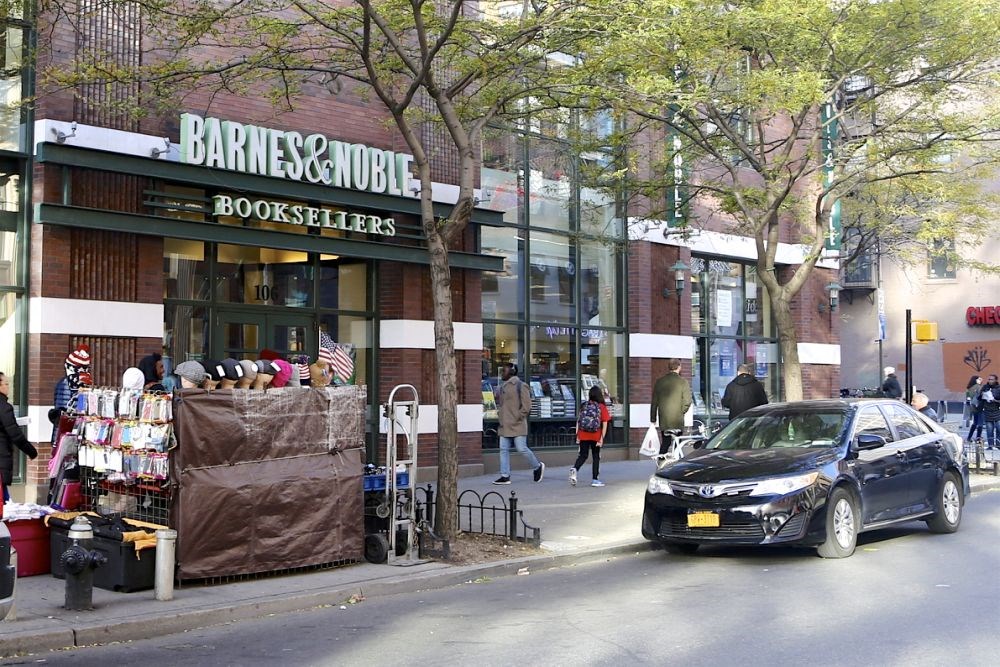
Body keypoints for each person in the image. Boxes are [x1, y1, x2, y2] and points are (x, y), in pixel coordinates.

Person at [493, 363, 544, 485]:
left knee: (522, 448)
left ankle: (537, 466)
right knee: (503, 449)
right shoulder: (502, 386)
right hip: (504, 424)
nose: (502, 373)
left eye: (504, 370)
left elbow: (527, 406)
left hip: (517, 424)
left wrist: (517, 417)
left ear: (511, 372)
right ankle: (505, 476)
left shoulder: (521, 385)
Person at [0, 372, 38, 501]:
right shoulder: (4, 407)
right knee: (3, 499)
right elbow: (15, 434)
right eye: (6, 384)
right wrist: (31, 451)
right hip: (1, 457)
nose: (8, 387)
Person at [570, 386, 612, 488]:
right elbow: (605, 423)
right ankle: (595, 479)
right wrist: (602, 438)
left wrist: (577, 435)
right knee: (596, 457)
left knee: (583, 455)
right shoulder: (601, 407)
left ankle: (575, 468)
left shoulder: (584, 405)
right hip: (596, 435)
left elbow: (579, 421)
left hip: (583, 434)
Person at [650, 358, 693, 455]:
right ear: (679, 367)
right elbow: (687, 401)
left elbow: (654, 402)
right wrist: (682, 411)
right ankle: (676, 460)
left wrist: (653, 418)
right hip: (677, 419)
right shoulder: (683, 382)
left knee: (665, 442)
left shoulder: (660, 382)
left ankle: (661, 460)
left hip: (664, 419)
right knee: (678, 444)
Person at [977, 374, 1000, 449]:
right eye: (989, 379)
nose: (990, 381)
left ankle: (998, 444)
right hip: (987, 411)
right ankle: (990, 445)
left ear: (996, 380)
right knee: (989, 430)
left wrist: (995, 400)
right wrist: (982, 394)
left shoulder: (999, 388)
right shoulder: (985, 387)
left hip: (997, 411)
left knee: (999, 429)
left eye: (992, 379)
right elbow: (979, 398)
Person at [966, 375, 984, 442]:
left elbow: (968, 398)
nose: (981, 380)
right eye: (979, 379)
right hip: (979, 406)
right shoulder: (978, 387)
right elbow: (981, 396)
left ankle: (969, 437)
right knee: (980, 423)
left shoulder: (969, 388)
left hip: (972, 406)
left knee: (975, 422)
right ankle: (978, 438)